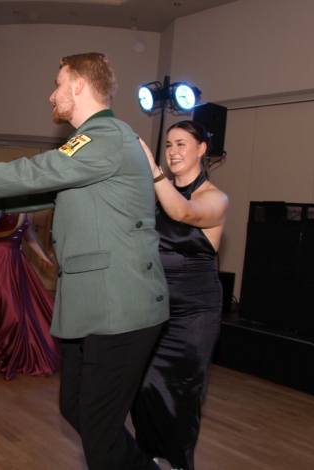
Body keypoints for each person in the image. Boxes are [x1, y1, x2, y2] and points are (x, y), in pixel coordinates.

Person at [0, 52, 168, 470]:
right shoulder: (93, 143)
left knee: (98, 430)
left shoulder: (106, 135)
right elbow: (41, 191)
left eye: (58, 83)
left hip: (120, 306)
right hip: (95, 304)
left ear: (79, 85)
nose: (52, 95)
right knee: (76, 408)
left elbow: (37, 173)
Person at [131, 121, 229, 470]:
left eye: (181, 144)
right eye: (169, 144)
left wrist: (154, 172)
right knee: (143, 389)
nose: (173, 151)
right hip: (153, 307)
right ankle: (148, 461)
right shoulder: (156, 194)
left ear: (201, 149)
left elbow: (183, 213)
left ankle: (176, 464)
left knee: (180, 394)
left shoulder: (214, 198)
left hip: (193, 313)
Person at [0, 211, 60, 380]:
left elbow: (29, 235)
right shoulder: (4, 203)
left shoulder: (23, 211)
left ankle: (6, 351)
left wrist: (44, 256)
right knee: (11, 312)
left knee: (24, 309)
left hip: (15, 259)